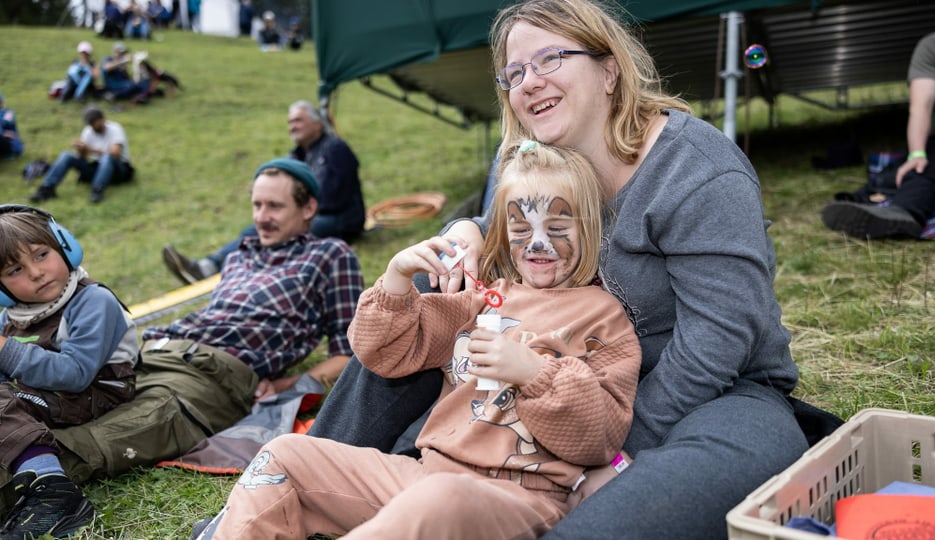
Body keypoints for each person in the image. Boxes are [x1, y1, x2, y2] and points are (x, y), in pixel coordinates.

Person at [306, 1, 830, 538]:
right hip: (544, 375)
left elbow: (717, 345)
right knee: (431, 286)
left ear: (610, 69)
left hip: (707, 393)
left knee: (712, 467)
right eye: (514, 73)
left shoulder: (695, 171)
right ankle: (302, 488)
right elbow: (506, 232)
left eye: (551, 59)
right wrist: (464, 231)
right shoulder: (538, 156)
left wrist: (614, 450)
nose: (529, 82)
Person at [191, 140, 642, 540]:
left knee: (443, 499)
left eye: (558, 229)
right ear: (503, 234)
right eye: (521, 230)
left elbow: (599, 437)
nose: (538, 244)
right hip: (422, 476)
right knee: (284, 455)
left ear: (591, 229)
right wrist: (397, 280)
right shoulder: (485, 299)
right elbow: (385, 351)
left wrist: (533, 372)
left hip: (518, 500)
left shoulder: (605, 318)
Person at [142, 158, 363, 401]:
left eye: (274, 206)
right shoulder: (237, 258)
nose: (261, 217)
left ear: (308, 208)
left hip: (209, 370)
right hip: (157, 346)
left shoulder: (330, 255)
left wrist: (285, 386)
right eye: (257, 205)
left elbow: (349, 354)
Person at [0, 205, 139, 539]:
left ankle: (54, 491)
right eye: (16, 269)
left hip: (93, 393)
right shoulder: (12, 315)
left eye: (42, 254)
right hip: (42, 394)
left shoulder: (93, 300)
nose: (35, 272)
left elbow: (76, 373)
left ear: (66, 246)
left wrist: (5, 349)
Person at [162, 100, 366, 284]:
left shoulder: (336, 149)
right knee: (254, 230)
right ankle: (207, 266)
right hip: (309, 213)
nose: (292, 126)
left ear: (317, 124)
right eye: (289, 123)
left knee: (284, 228)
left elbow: (335, 198)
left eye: (298, 121)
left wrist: (294, 211)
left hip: (340, 218)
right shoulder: (295, 156)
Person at [822, 21, 935, 239]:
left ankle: (885, 203)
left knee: (927, 170)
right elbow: (920, 106)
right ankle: (887, 206)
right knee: (923, 167)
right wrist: (917, 153)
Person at [29, 106, 133, 204]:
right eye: (90, 122)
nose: (92, 125)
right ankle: (46, 189)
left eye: (94, 121)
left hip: (119, 170)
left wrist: (90, 149)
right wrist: (81, 149)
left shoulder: (115, 128)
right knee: (66, 155)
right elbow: (83, 158)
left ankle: (97, 190)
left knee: (107, 157)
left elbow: (115, 153)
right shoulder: (88, 131)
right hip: (98, 168)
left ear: (102, 119)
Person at [0, 93, 23, 160]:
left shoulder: (9, 112)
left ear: (1, 103)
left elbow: (5, 122)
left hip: (11, 146)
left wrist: (2, 134)